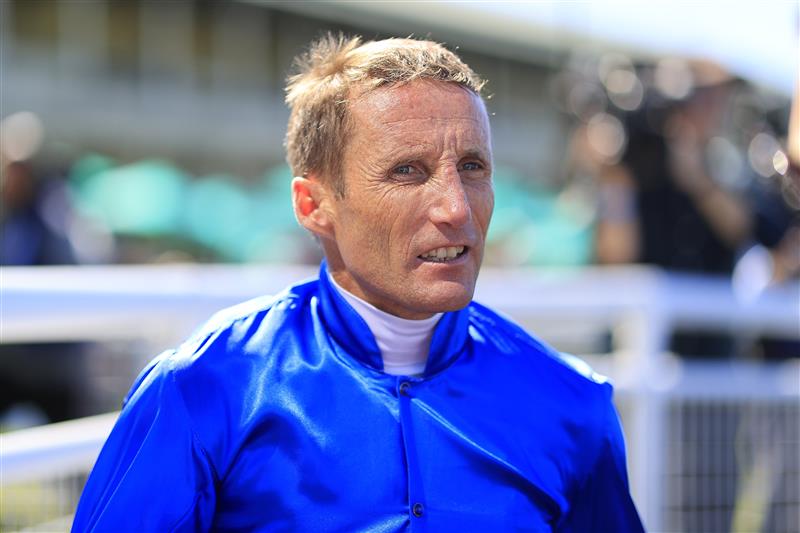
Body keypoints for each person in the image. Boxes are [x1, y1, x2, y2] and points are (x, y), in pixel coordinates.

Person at [72, 35, 644, 532]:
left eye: (472, 167)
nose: (455, 207)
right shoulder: (207, 386)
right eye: (407, 171)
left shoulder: (573, 403)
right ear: (313, 204)